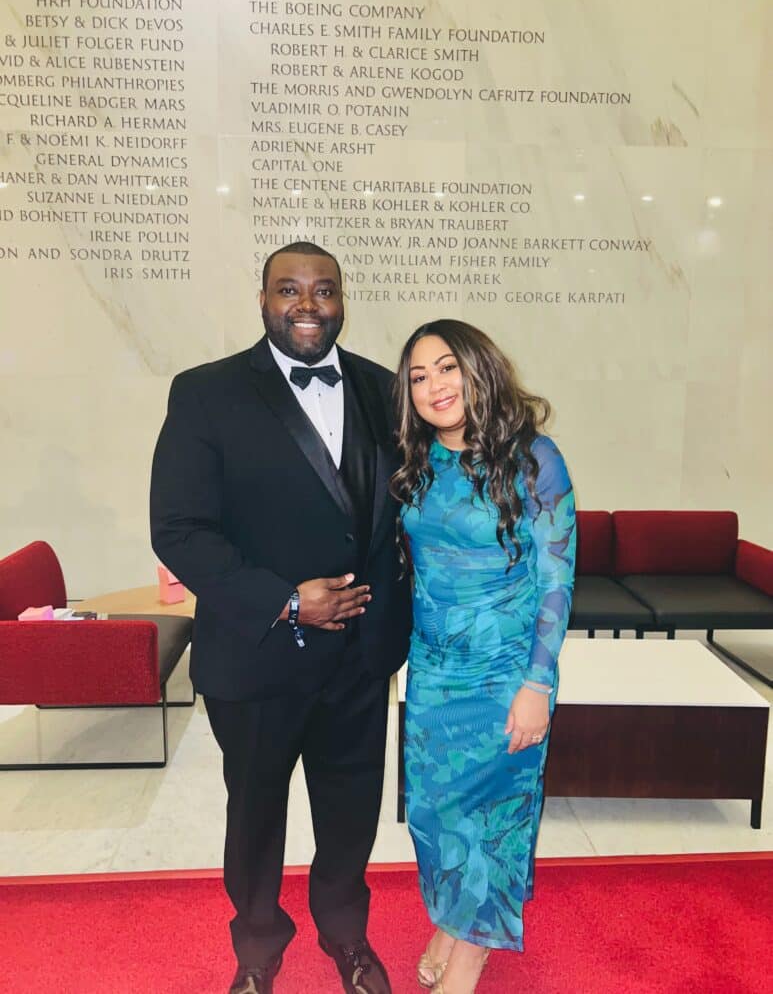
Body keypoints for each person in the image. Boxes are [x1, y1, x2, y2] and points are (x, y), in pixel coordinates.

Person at [150, 241, 411, 994]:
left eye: (323, 290)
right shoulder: (206, 393)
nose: (307, 304)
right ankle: (258, 946)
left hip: (358, 661)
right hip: (257, 656)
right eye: (289, 290)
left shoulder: (382, 389)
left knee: (349, 812)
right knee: (256, 814)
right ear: (262, 300)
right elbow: (179, 528)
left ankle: (346, 935)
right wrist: (287, 598)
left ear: (342, 300)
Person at [390, 319, 576, 993]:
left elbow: (556, 579)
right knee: (435, 815)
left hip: (504, 675)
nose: (434, 386)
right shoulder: (416, 462)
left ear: (479, 370)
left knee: (492, 818)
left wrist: (538, 684)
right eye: (418, 376)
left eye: (447, 368)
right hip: (434, 672)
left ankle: (467, 959)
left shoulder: (534, 459)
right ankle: (449, 919)